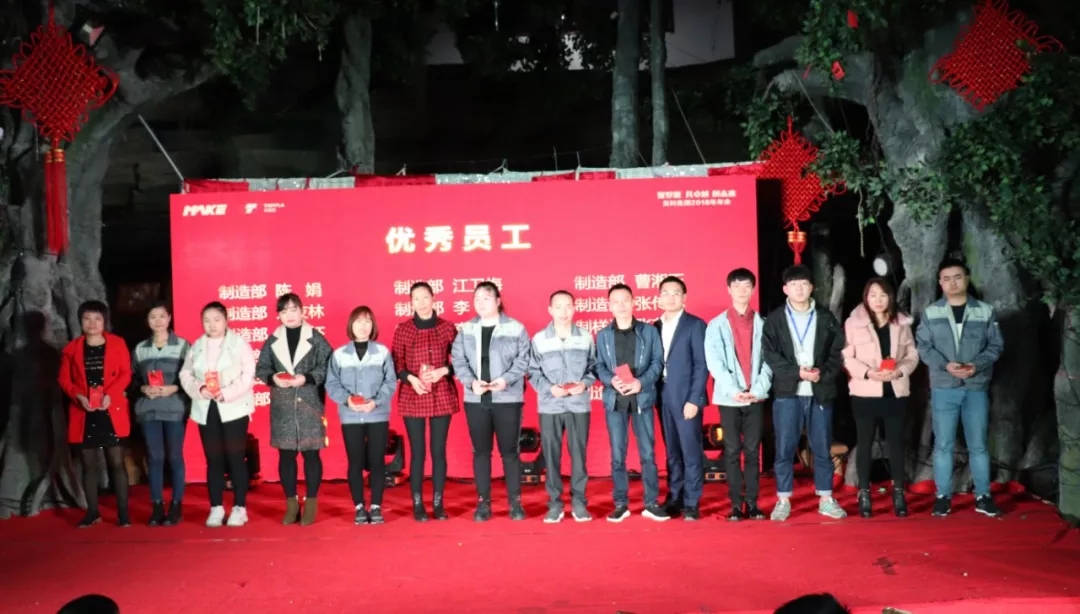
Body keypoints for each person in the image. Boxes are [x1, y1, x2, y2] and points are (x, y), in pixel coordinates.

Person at [916, 258, 1004, 517]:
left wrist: (976, 365)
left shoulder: (985, 311)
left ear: (967, 278)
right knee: (943, 444)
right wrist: (946, 365)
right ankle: (943, 496)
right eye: (946, 279)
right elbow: (923, 346)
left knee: (979, 445)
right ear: (940, 283)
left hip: (976, 385)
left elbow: (996, 345)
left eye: (957, 277)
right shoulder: (932, 312)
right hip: (944, 386)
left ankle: (983, 496)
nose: (952, 283)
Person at [762, 265, 847, 521]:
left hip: (819, 390)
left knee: (822, 446)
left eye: (804, 284)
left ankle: (826, 499)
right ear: (785, 289)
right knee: (785, 448)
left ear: (812, 287)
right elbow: (771, 355)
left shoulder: (826, 317)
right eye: (794, 284)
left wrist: (823, 373)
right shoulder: (775, 319)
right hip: (788, 392)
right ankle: (783, 499)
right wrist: (797, 372)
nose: (799, 289)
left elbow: (836, 352)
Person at [452, 281, 532, 521]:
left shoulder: (515, 328)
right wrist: (470, 382)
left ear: (498, 301)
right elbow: (458, 360)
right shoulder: (466, 329)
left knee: (510, 452)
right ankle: (483, 503)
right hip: (476, 399)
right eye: (476, 298)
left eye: (486, 298)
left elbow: (523, 359)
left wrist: (505, 380)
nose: (480, 303)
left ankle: (515, 503)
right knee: (481, 452)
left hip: (507, 398)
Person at [843, 278, 919, 518]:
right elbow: (847, 356)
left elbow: (912, 354)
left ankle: (898, 493)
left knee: (896, 443)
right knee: (865, 443)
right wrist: (868, 372)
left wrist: (900, 371)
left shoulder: (902, 322)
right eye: (872, 295)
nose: (877, 300)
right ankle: (864, 493)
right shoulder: (853, 323)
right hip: (865, 391)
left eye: (883, 295)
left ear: (890, 298)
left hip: (894, 391)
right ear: (866, 297)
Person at [255, 293, 334, 526]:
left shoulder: (316, 338)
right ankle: (291, 504)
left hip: (310, 402)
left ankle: (311, 503)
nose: (289, 315)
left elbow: (329, 365)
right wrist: (273, 378)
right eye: (284, 311)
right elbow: (261, 368)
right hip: (283, 405)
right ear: (278, 315)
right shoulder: (273, 340)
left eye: (293, 310)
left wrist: (307, 377)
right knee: (286, 455)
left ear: (302, 311)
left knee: (311, 454)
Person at [595, 283, 669, 522]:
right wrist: (611, 381)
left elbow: (657, 362)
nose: (621, 305)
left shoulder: (648, 331)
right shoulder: (603, 335)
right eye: (615, 301)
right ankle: (621, 503)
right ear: (609, 305)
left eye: (625, 300)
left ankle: (651, 502)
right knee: (618, 455)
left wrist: (641, 383)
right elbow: (599, 365)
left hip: (641, 399)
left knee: (648, 453)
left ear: (634, 302)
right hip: (615, 401)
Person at [179, 301, 256, 528]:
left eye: (216, 320)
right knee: (213, 459)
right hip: (207, 407)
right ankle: (216, 507)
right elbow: (185, 374)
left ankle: (239, 507)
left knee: (235, 457)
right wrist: (199, 388)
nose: (211, 325)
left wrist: (227, 392)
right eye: (206, 320)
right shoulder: (197, 346)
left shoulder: (239, 343)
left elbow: (248, 374)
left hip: (233, 407)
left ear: (226, 320)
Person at [58, 301, 134, 528]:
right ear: (80, 321)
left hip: (111, 408)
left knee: (116, 463)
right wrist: (78, 396)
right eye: (87, 318)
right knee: (88, 464)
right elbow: (64, 379)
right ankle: (92, 512)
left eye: (97, 318)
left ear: (105, 321)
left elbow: (125, 373)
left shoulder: (118, 344)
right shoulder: (71, 349)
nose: (92, 323)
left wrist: (111, 394)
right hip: (85, 411)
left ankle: (123, 514)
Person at [704, 268, 772, 521]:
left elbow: (770, 361)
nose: (742, 291)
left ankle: (752, 502)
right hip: (729, 398)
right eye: (737, 286)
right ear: (729, 290)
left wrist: (757, 390)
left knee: (753, 451)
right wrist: (734, 390)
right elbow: (715, 363)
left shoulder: (764, 324)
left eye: (746, 286)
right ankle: (735, 503)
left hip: (756, 397)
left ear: (753, 289)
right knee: (732, 451)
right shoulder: (716, 325)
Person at [391, 281, 459, 522]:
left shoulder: (448, 328)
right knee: (417, 452)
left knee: (438, 451)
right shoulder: (403, 330)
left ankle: (439, 503)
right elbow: (396, 363)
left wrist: (443, 371)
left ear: (433, 298)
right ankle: (417, 503)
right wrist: (411, 379)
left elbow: (461, 361)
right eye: (416, 299)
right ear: (410, 302)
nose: (421, 303)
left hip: (441, 393)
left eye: (425, 297)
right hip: (413, 393)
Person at [528, 290, 597, 523]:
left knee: (579, 455)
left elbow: (593, 368)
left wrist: (584, 384)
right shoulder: (539, 339)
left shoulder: (585, 337)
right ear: (550, 310)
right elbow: (533, 372)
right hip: (550, 406)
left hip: (578, 405)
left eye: (568, 306)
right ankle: (555, 504)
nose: (564, 312)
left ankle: (579, 502)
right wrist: (549, 388)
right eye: (558, 307)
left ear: (574, 308)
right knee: (551, 456)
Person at [325, 306, 397, 524]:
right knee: (355, 461)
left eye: (367, 321)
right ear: (351, 325)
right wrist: (347, 400)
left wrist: (375, 402)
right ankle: (358, 506)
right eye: (358, 321)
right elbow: (332, 384)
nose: (363, 326)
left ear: (373, 325)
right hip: (351, 416)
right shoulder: (339, 355)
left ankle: (375, 506)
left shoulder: (382, 352)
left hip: (377, 415)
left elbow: (390, 382)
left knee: (377, 461)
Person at [653, 276, 709, 520]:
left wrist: (695, 399)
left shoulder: (695, 325)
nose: (671, 297)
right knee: (672, 451)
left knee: (691, 450)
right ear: (659, 297)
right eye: (666, 292)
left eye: (676, 292)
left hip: (686, 398)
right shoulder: (654, 327)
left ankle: (692, 501)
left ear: (684, 297)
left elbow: (701, 364)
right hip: (662, 396)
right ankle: (675, 497)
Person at [131, 301, 191, 526]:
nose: (157, 321)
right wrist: (142, 388)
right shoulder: (140, 348)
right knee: (154, 457)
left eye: (161, 316)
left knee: (174, 456)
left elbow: (192, 377)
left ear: (169, 318)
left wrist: (174, 387)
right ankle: (157, 505)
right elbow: (132, 379)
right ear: (147, 320)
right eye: (152, 317)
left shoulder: (183, 346)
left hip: (174, 408)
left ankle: (176, 505)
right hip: (149, 409)